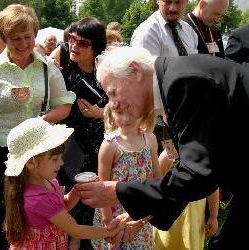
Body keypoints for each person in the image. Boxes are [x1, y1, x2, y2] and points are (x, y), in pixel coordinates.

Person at [75, 46, 249, 249]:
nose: (112, 105)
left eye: (113, 92)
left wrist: (120, 192)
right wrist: (143, 213)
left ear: (135, 71)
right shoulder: (174, 80)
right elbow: (201, 169)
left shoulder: (183, 82)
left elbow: (198, 174)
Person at [0, 4, 75, 249]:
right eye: (15, 39)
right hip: (5, 156)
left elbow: (64, 105)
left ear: (35, 33)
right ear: (3, 37)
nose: (22, 44)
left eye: (28, 37)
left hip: (40, 155)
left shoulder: (46, 66)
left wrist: (38, 123)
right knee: (6, 220)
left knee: (40, 216)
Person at [4, 117, 122, 248]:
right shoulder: (39, 199)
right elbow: (76, 231)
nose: (61, 163)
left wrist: (75, 193)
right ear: (31, 163)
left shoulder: (49, 181)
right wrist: (110, 231)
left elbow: (61, 206)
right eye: (55, 159)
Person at [50, 16, 108, 249]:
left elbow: (119, 106)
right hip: (72, 149)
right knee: (73, 201)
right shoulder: (61, 74)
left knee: (95, 200)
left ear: (96, 47)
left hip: (100, 148)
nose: (74, 45)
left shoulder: (105, 73)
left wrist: (99, 113)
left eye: (83, 43)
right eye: (72, 39)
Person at [91, 105, 159, 249]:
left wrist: (145, 218)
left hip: (141, 220)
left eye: (132, 111)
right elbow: (101, 190)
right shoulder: (110, 146)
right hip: (114, 222)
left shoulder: (150, 140)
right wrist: (111, 227)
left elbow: (158, 183)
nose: (126, 118)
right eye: (120, 112)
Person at [130, 0, 198, 56]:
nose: (173, 9)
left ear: (186, 2)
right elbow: (144, 71)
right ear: (158, 1)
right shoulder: (146, 34)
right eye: (167, 1)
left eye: (178, 2)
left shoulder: (190, 31)